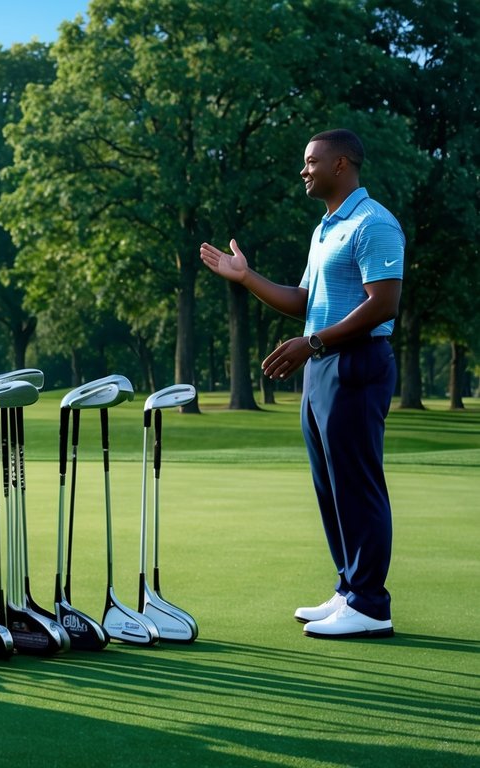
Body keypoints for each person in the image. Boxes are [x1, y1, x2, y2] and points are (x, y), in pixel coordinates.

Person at [199, 128, 403, 640]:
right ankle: (349, 590)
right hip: (323, 366)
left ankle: (372, 605)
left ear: (341, 164)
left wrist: (312, 345)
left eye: (311, 161)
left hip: (355, 363)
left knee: (357, 484)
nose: (303, 170)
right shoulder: (323, 230)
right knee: (329, 486)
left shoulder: (373, 223)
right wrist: (245, 276)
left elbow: (383, 303)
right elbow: (303, 300)